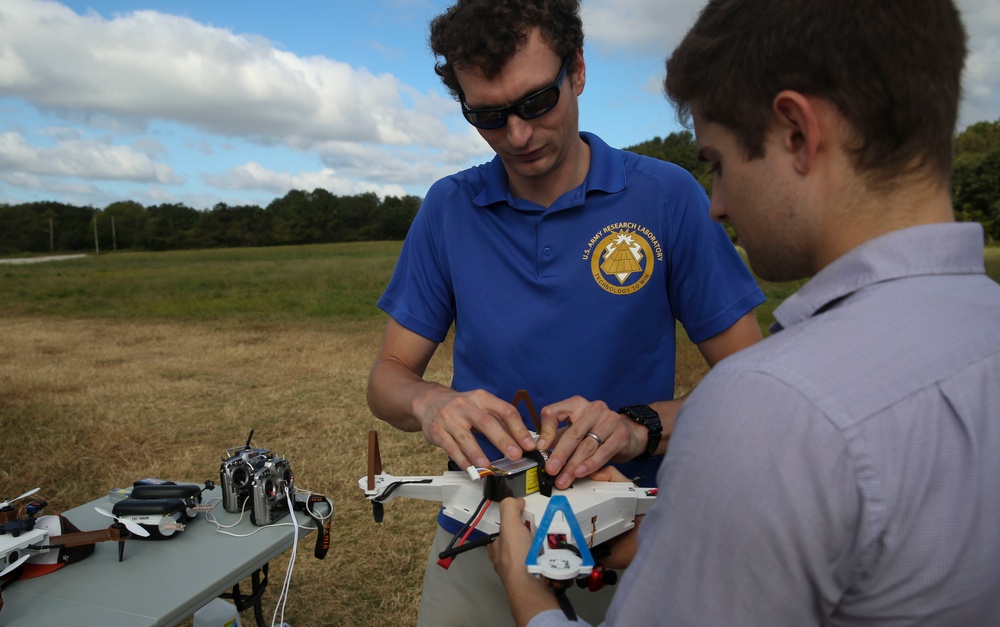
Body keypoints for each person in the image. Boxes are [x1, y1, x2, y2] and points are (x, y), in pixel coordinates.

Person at [487, 0, 1000, 625]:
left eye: (719, 163)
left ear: (797, 134)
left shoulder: (769, 407)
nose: (716, 206)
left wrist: (529, 593)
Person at [365, 0, 765, 624]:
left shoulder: (665, 197)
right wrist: (429, 402)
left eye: (535, 103)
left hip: (624, 529)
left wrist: (639, 427)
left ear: (577, 70)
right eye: (489, 117)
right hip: (484, 525)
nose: (517, 136)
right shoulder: (448, 208)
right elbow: (388, 376)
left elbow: (755, 385)